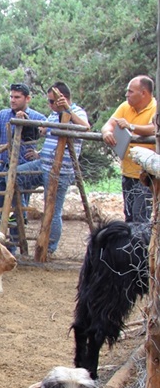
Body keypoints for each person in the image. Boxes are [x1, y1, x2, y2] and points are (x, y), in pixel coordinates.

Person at [12, 81, 89, 255]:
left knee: (52, 210)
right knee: (13, 177)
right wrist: (28, 123)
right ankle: (20, 215)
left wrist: (67, 109)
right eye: (49, 102)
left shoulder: (76, 112)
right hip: (43, 164)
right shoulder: (54, 115)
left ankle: (49, 248)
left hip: (60, 171)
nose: (50, 105)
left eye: (52, 102)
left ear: (63, 99)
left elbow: (85, 127)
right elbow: (43, 131)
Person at [0, 82, 47, 228]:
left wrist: (39, 154)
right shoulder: (3, 114)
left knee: (18, 210)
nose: (13, 100)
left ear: (27, 99)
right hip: (3, 166)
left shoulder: (37, 116)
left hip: (24, 169)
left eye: (17, 97)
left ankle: (15, 244)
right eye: (11, 96)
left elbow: (48, 137)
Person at [100, 75, 158, 223]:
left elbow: (154, 129)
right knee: (129, 215)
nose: (127, 95)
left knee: (140, 217)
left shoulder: (156, 108)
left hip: (146, 176)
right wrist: (106, 132)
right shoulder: (125, 106)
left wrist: (132, 127)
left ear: (143, 93)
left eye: (130, 91)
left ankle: (139, 246)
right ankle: (131, 246)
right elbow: (109, 124)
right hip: (127, 172)